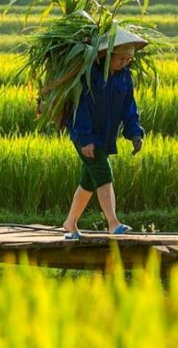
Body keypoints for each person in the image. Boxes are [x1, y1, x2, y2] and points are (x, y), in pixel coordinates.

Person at [60, 28, 147, 239]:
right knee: (103, 173)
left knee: (89, 181)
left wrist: (134, 132)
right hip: (85, 136)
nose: (125, 62)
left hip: (106, 136)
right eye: (121, 58)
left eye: (128, 59)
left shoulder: (124, 78)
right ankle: (113, 223)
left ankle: (70, 223)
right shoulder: (90, 75)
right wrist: (85, 140)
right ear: (107, 55)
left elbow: (129, 107)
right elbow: (81, 109)